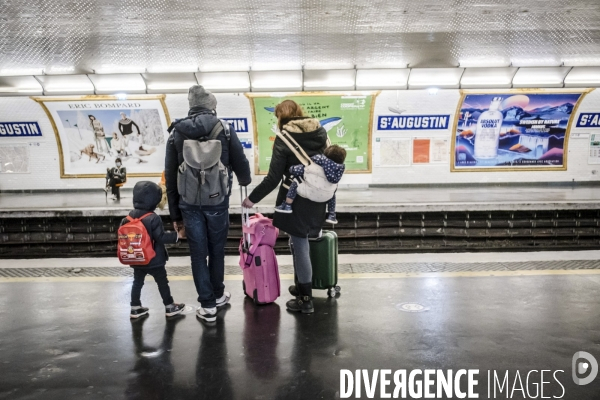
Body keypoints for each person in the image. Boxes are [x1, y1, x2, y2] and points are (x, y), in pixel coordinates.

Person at [165, 85, 251, 322]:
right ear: (212, 106)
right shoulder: (224, 129)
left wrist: (175, 216)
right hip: (218, 201)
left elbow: (170, 177)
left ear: (191, 107)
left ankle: (208, 305)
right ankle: (218, 294)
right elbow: (241, 163)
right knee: (216, 250)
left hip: (188, 204)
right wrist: (245, 180)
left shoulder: (176, 133)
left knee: (197, 254)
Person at [242, 100, 329, 314]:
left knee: (300, 245)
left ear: (281, 117)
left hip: (295, 197)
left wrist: (251, 199)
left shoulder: (283, 138)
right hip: (318, 197)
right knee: (302, 242)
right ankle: (302, 287)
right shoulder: (321, 132)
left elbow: (273, 178)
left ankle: (306, 299)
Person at [122, 181, 186, 319]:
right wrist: (177, 235)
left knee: (137, 282)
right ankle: (170, 306)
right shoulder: (153, 218)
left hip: (137, 259)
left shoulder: (127, 218)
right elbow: (161, 237)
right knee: (162, 282)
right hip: (154, 259)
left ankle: (135, 307)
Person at [274, 144, 346, 224]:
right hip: (326, 197)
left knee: (295, 181)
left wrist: (291, 168)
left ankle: (287, 205)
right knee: (333, 192)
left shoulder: (313, 165)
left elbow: (296, 170)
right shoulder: (338, 172)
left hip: (309, 193)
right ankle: (331, 214)